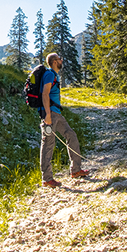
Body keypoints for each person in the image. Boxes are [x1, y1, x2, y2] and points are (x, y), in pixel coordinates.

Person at [39, 52, 88, 187]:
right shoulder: (49, 74)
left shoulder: (54, 75)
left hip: (57, 114)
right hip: (50, 115)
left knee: (71, 135)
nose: (61, 61)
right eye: (60, 59)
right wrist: (47, 115)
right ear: (55, 62)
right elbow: (45, 93)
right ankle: (47, 178)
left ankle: (76, 170)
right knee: (48, 143)